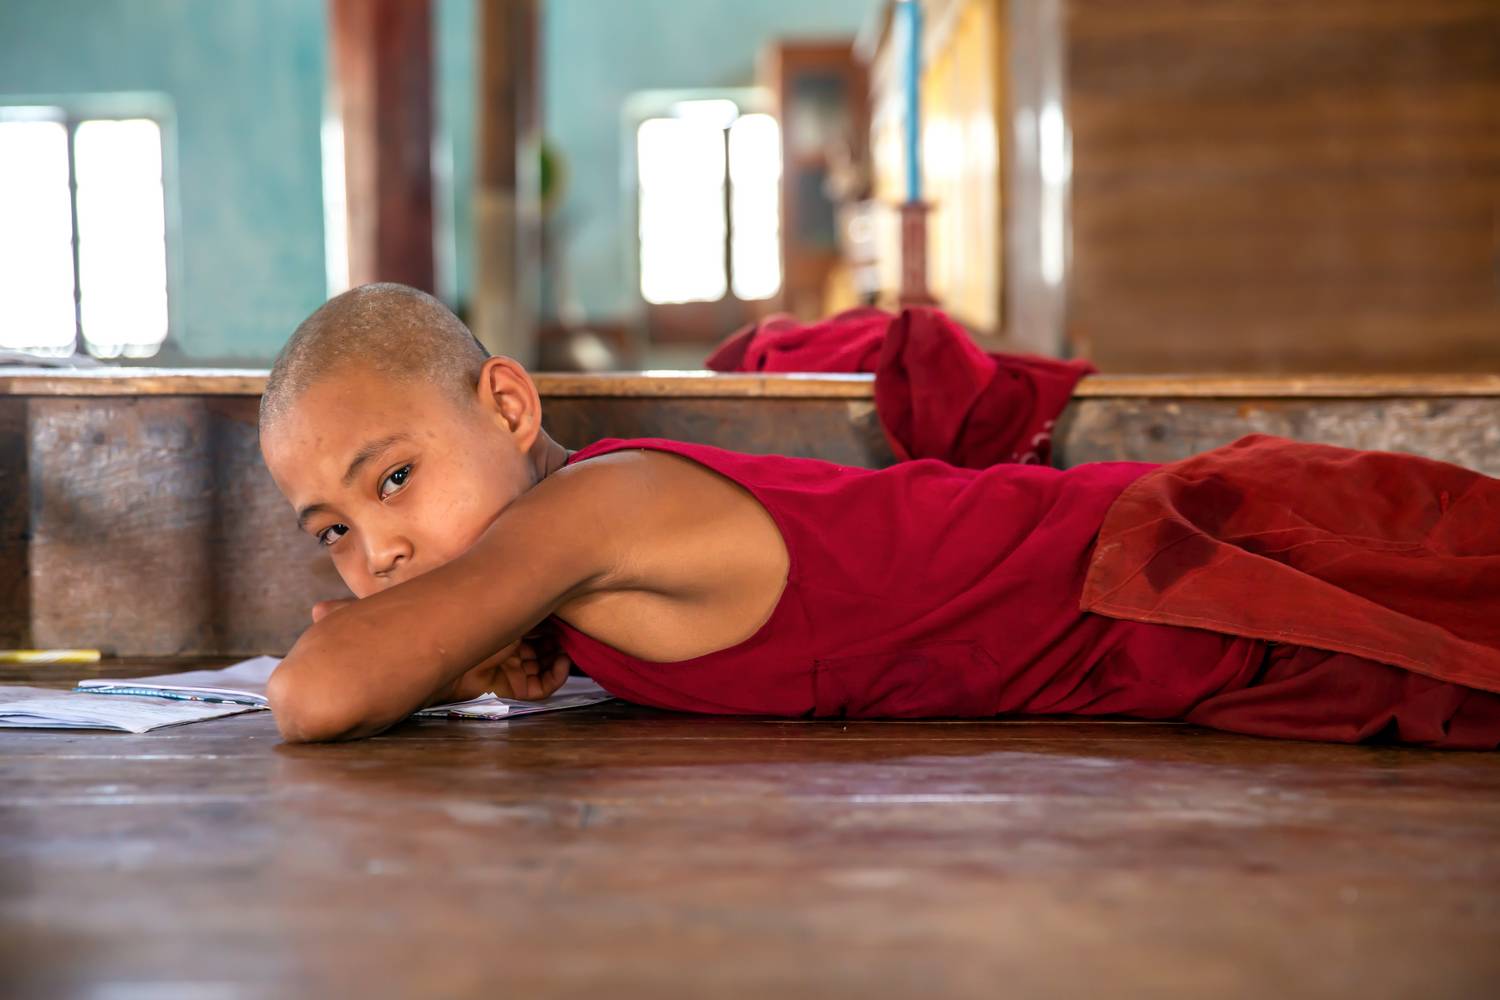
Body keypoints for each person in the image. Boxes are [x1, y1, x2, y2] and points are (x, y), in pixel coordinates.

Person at [258, 283, 1500, 748]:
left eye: (394, 479)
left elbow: (317, 695)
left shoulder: (599, 504)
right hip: (1152, 623)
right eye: (334, 533)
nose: (382, 550)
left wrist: (403, 646)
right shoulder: (569, 583)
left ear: (510, 405)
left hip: (1191, 560)